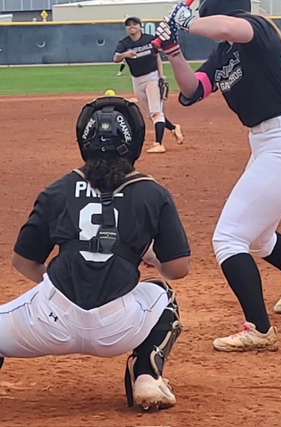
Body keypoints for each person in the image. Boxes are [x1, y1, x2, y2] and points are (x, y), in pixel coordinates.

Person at [0, 96, 190, 410]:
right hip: (119, 328)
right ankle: (147, 376)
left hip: (47, 321)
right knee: (162, 294)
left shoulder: (59, 189)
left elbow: (22, 261)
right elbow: (178, 268)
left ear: (83, 141)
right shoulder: (152, 191)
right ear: (135, 141)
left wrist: (62, 286)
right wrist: (149, 256)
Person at [155, 0, 281, 352]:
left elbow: (231, 27)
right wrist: (173, 51)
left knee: (229, 238)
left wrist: (185, 23)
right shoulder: (222, 53)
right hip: (268, 144)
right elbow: (192, 89)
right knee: (259, 238)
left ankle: (259, 330)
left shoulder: (254, 29)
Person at [113, 16, 184, 153]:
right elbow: (115, 58)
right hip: (136, 80)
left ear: (140, 26)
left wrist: (161, 75)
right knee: (149, 114)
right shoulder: (124, 43)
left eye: (134, 24)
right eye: (128, 25)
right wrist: (126, 54)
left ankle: (159, 144)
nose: (131, 27)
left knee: (156, 111)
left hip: (151, 77)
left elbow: (157, 56)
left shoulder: (149, 39)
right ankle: (174, 127)